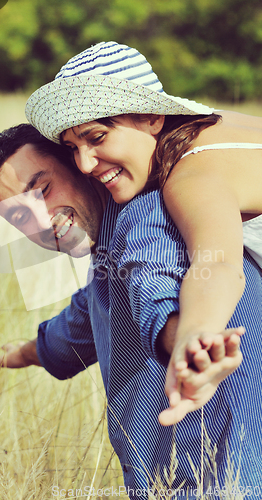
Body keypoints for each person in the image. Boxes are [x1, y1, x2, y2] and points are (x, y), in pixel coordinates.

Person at [0, 124, 262, 497]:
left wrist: (187, 342)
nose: (42, 221)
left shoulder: (144, 218)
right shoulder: (107, 255)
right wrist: (27, 352)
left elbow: (154, 291)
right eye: (20, 217)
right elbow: (87, 319)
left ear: (82, 166)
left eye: (42, 190)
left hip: (224, 480)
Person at [25, 40, 262, 418]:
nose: (84, 164)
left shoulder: (189, 177)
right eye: (72, 147)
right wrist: (31, 350)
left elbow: (217, 264)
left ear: (152, 118)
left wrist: (191, 336)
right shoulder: (212, 124)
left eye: (97, 136)